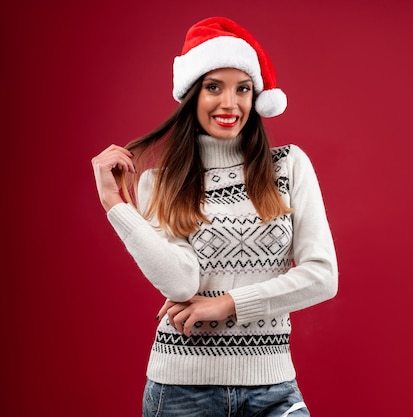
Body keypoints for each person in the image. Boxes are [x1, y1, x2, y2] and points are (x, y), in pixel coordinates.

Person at [90, 16, 338, 416]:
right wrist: (115, 204)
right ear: (193, 96)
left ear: (255, 96)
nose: (230, 103)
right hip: (181, 391)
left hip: (273, 387)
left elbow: (322, 276)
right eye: (213, 88)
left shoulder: (287, 166)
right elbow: (180, 281)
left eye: (242, 89)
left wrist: (227, 304)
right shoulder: (160, 182)